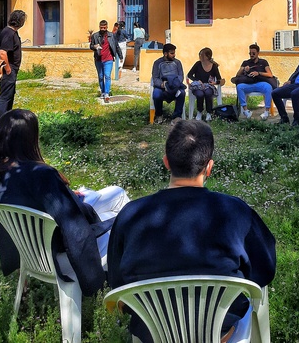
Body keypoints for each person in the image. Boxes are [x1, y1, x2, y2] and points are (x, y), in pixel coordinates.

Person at [108, 120, 276, 343]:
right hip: (219, 331)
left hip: (151, 332)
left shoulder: (131, 215)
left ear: (166, 162)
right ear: (209, 167)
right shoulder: (235, 211)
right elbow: (265, 270)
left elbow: (117, 282)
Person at [0, 109, 129, 296]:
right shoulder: (40, 175)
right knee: (124, 219)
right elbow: (75, 230)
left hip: (25, 250)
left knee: (109, 197)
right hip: (58, 253)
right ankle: (129, 278)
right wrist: (93, 281)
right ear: (30, 139)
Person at [0, 9, 27, 119]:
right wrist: (8, 69)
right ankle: (2, 123)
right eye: (23, 20)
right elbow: (2, 53)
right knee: (5, 98)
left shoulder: (12, 32)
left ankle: (7, 120)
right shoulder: (8, 33)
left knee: (9, 96)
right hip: (8, 70)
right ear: (19, 21)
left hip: (12, 70)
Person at [234, 44, 275, 120]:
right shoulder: (246, 62)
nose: (251, 55)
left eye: (253, 53)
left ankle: (266, 111)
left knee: (268, 87)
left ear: (258, 53)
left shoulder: (263, 62)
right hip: (248, 83)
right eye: (250, 53)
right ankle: (246, 111)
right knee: (239, 87)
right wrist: (243, 69)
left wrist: (258, 73)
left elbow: (270, 74)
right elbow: (237, 75)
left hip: (260, 83)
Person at [186, 47, 225, 121]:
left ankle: (209, 112)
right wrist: (197, 80)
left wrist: (215, 83)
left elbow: (219, 79)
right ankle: (199, 111)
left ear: (207, 56)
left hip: (209, 86)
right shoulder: (198, 64)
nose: (200, 56)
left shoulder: (214, 66)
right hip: (198, 86)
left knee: (208, 93)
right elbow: (190, 75)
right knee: (200, 94)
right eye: (200, 55)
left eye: (202, 55)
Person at [151, 43, 186, 123]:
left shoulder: (177, 63)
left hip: (175, 86)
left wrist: (174, 83)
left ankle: (177, 116)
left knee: (182, 93)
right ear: (165, 54)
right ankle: (159, 115)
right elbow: (155, 78)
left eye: (174, 53)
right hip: (162, 87)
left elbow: (181, 76)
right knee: (156, 94)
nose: (174, 55)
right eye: (172, 53)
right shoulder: (157, 63)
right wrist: (162, 84)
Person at [90, 20, 122, 103]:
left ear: (107, 27)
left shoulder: (111, 35)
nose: (103, 29)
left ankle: (107, 93)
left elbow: (116, 46)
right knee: (101, 76)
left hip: (108, 59)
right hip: (98, 59)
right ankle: (103, 91)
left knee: (107, 76)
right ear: (99, 27)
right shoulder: (95, 36)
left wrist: (120, 56)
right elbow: (91, 46)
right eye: (101, 28)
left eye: (104, 28)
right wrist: (95, 47)